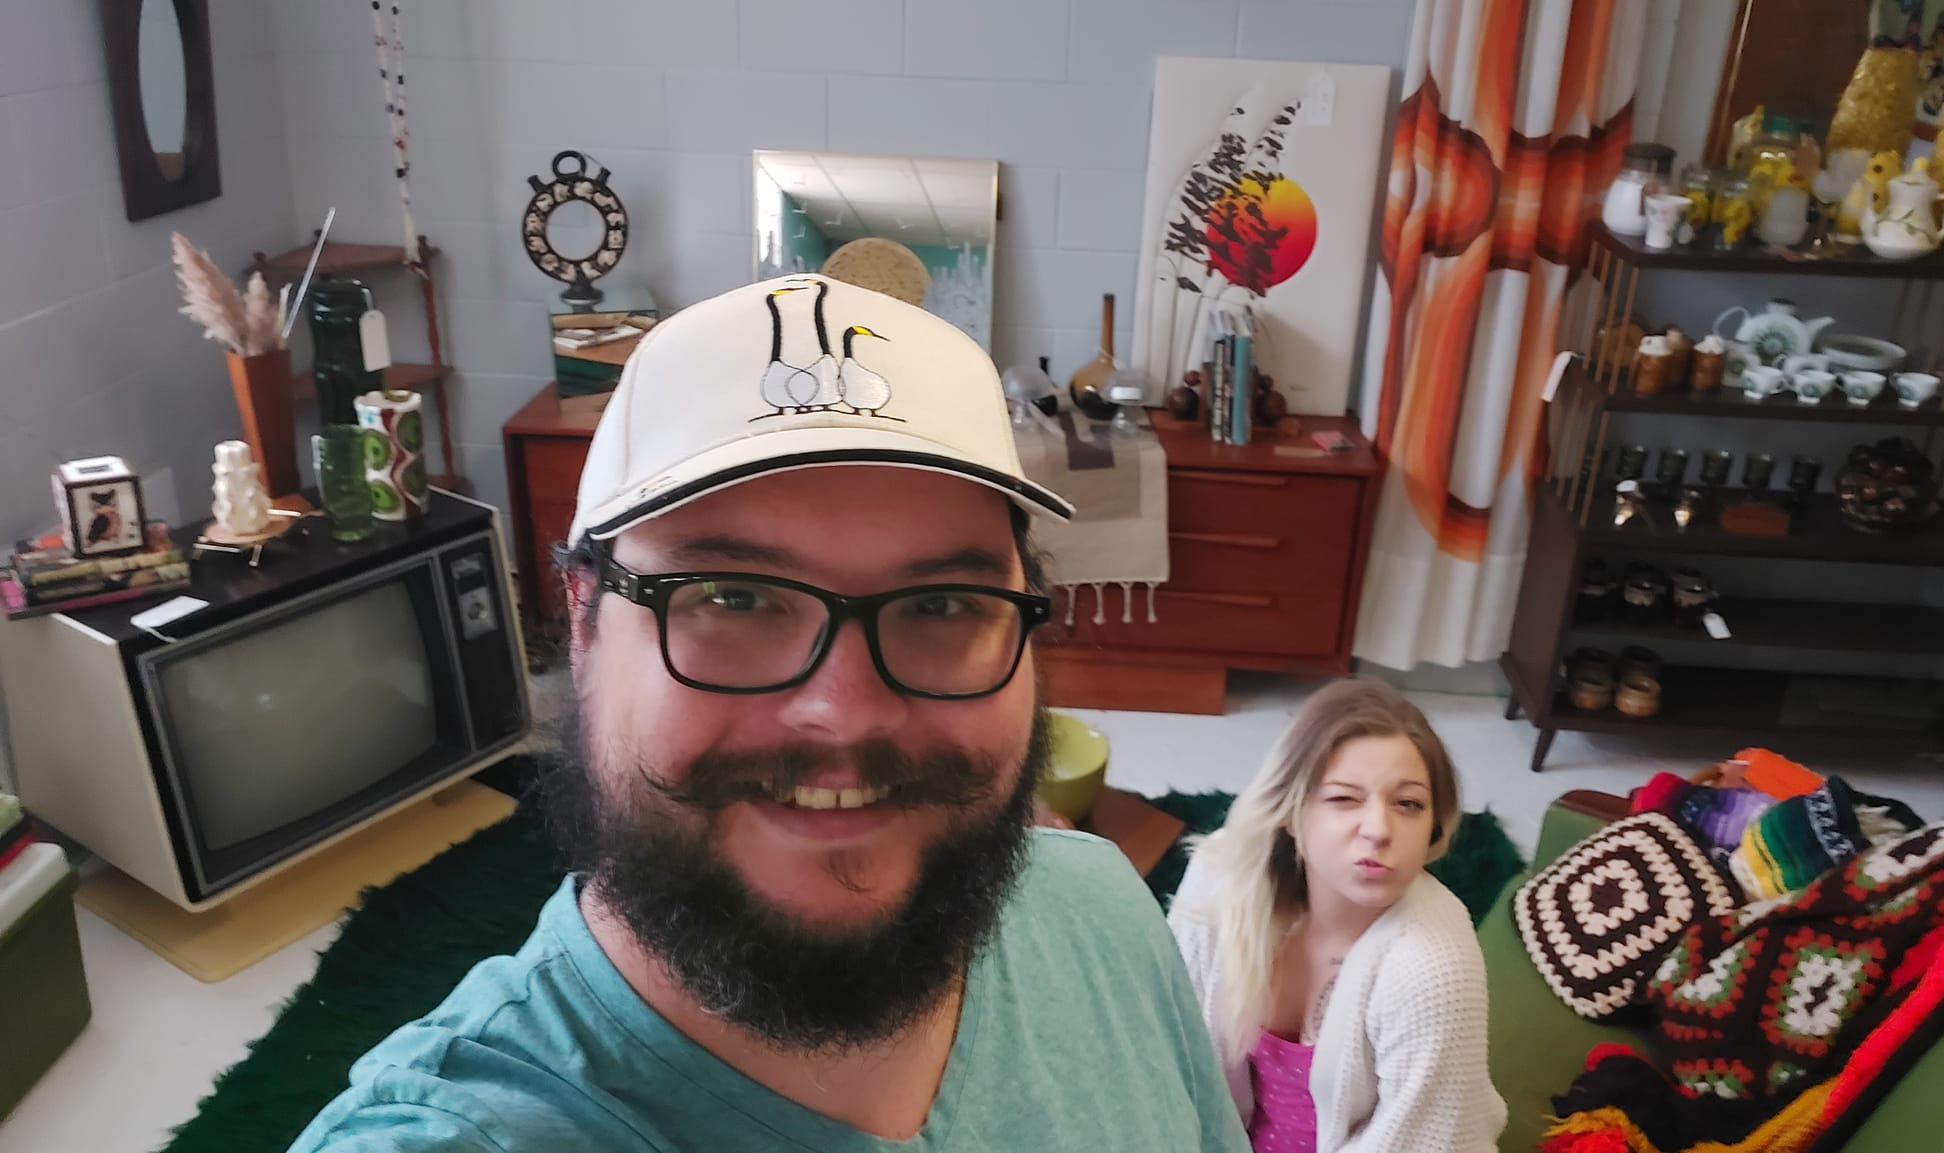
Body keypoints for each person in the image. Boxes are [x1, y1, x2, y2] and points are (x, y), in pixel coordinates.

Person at [287, 275, 1251, 1153]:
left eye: (940, 606)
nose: (841, 713)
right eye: (733, 599)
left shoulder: (1103, 910)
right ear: (582, 628)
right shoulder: (467, 1133)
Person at [1169, 678, 1506, 1153]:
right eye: (1344, 798)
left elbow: (1426, 1142)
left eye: (1408, 804)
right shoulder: (1221, 879)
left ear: (1434, 824)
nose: (1378, 830)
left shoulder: (1435, 969)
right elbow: (1171, 1048)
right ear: (1291, 809)